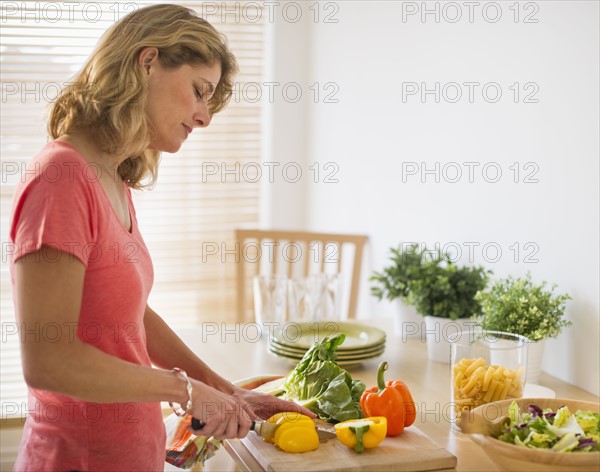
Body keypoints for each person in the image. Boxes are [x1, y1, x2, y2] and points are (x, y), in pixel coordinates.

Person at [9, 4, 313, 471]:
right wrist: (187, 391)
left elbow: (129, 318)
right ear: (146, 61)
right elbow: (49, 359)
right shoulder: (62, 177)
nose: (204, 116)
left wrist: (226, 389)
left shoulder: (110, 178)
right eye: (199, 91)